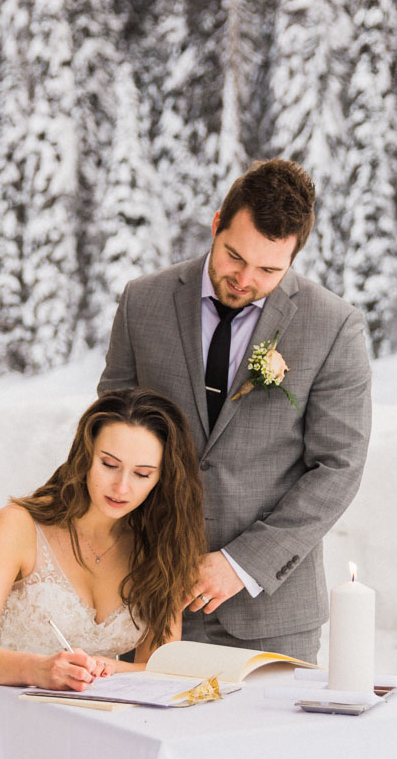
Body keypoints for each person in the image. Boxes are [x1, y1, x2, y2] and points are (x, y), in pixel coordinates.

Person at [98, 158, 372, 663]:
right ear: (216, 223)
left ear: (294, 258)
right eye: (233, 257)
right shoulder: (144, 302)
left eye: (269, 269)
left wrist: (241, 563)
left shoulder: (334, 327)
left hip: (270, 617)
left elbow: (338, 468)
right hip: (142, 599)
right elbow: (107, 434)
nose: (245, 279)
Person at [0, 388, 205, 759]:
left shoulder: (160, 549)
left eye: (142, 474)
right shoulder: (18, 527)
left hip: (101, 749)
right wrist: (40, 670)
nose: (121, 487)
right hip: (2, 745)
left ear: (163, 479)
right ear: (85, 454)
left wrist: (105, 669)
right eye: (109, 465)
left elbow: (162, 673)